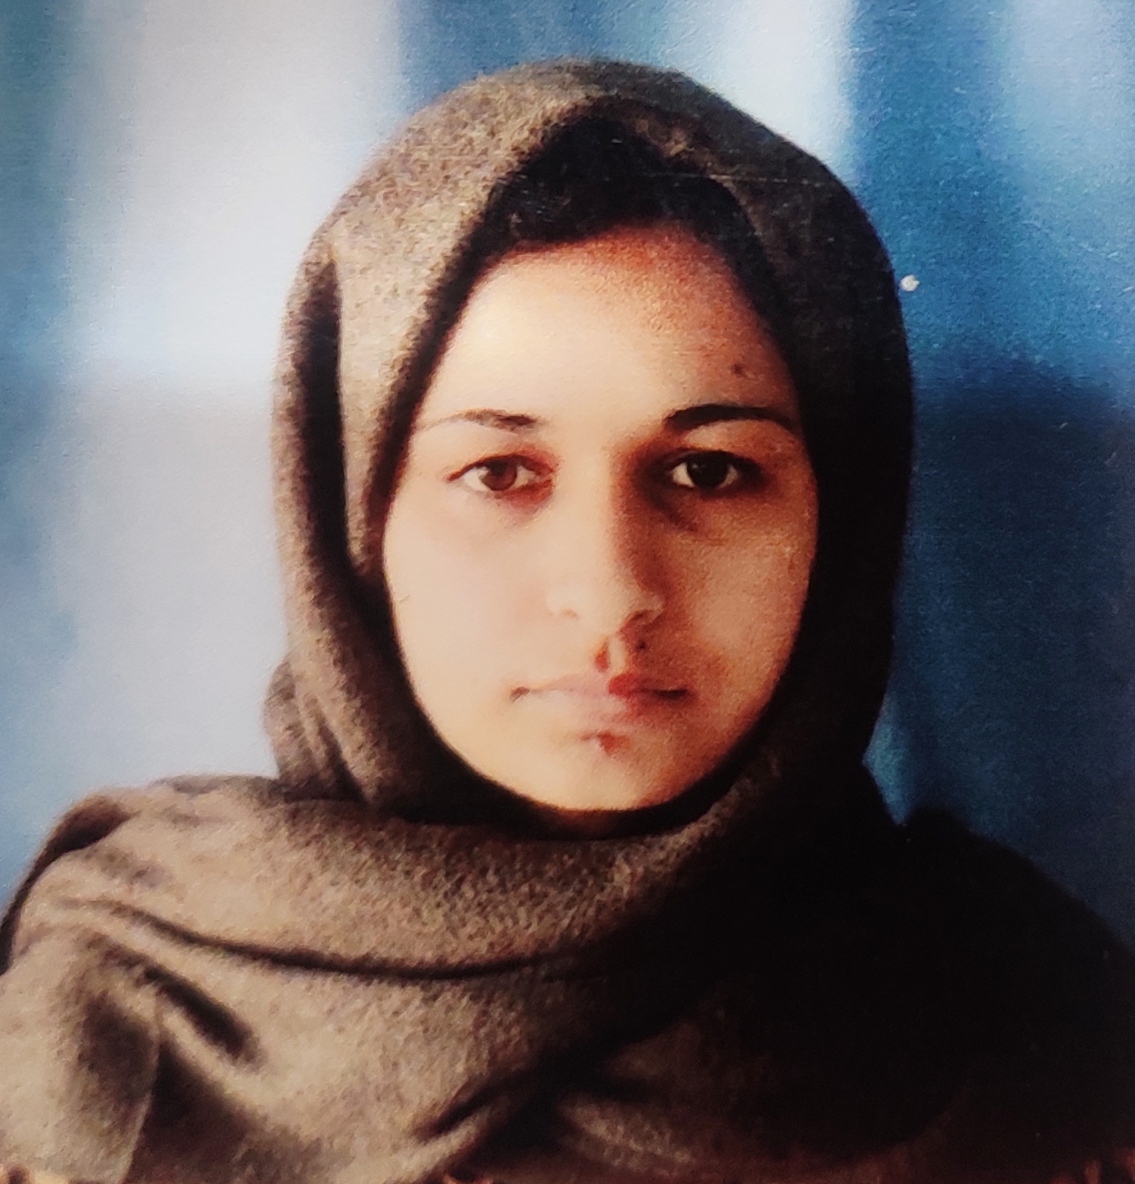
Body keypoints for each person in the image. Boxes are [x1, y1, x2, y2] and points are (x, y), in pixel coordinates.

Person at [0, 59, 1132, 1184]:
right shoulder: (117, 1006)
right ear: (350, 519)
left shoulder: (1035, 1024)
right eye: (499, 473)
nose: (609, 589)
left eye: (708, 470)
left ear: (841, 518)